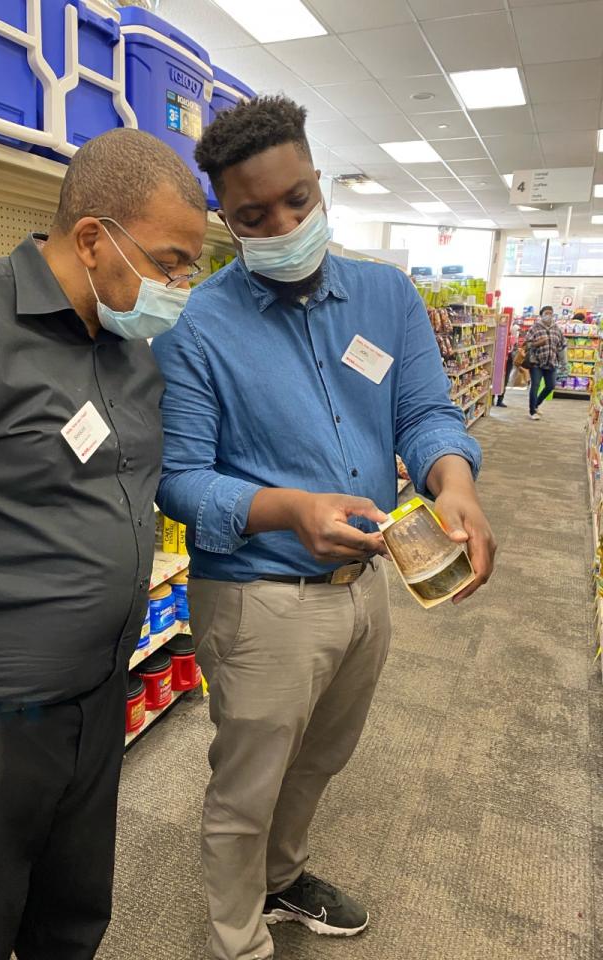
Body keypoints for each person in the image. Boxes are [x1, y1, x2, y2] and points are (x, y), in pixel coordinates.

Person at [152, 96, 497, 960]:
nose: (284, 224)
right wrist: (286, 509)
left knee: (320, 760)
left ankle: (281, 879)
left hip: (368, 586)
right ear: (225, 221)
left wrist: (453, 480)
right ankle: (237, 938)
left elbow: (424, 414)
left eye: (299, 200)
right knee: (247, 782)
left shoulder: (386, 294)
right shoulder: (196, 326)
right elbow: (181, 480)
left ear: (320, 182)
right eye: (255, 215)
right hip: (258, 597)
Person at [0, 128, 207, 960]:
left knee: (69, 923)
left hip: (92, 710)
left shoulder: (132, 350)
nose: (180, 286)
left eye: (190, 269)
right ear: (94, 237)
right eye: (170, 262)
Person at [525, 305, 566, 421]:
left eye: (550, 313)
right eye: (546, 313)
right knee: (535, 386)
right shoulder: (535, 328)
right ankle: (532, 411)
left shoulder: (557, 329)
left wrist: (564, 364)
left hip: (552, 362)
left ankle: (536, 404)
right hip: (536, 362)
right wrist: (537, 343)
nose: (548, 315)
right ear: (541, 315)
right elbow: (526, 344)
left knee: (551, 386)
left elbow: (561, 346)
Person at [494, 319, 519, 408]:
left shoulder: (514, 339)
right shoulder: (501, 333)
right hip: (499, 359)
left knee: (505, 380)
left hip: (508, 360)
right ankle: (493, 398)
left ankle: (500, 399)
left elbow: (515, 351)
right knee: (496, 379)